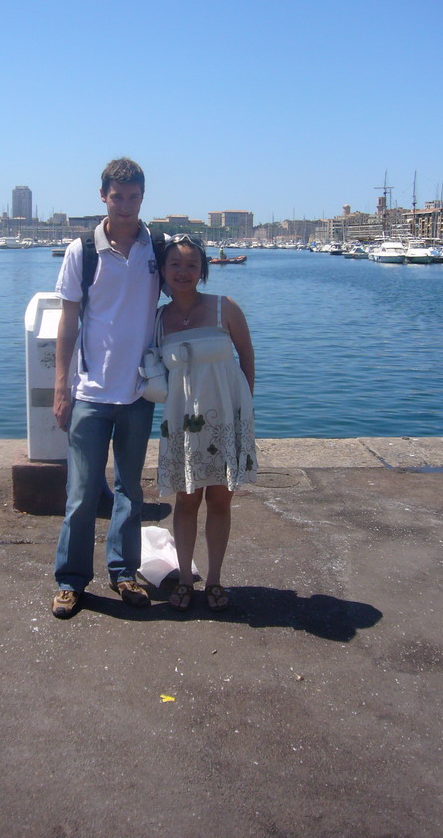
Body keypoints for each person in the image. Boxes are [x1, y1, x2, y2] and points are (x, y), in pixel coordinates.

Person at [50, 158, 162, 619]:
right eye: (118, 197)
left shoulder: (156, 248)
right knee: (80, 495)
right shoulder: (84, 250)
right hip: (91, 395)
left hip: (137, 394)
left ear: (142, 197)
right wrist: (61, 385)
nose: (125, 205)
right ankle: (70, 581)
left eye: (133, 197)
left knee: (130, 491)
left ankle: (123, 572)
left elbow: (186, 286)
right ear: (103, 197)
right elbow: (68, 319)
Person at [156, 234, 257, 612]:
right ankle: (185, 578)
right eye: (175, 265)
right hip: (182, 422)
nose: (183, 272)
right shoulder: (158, 319)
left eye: (191, 265)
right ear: (163, 271)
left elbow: (247, 358)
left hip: (227, 418)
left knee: (219, 500)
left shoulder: (224, 308)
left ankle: (214, 579)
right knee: (185, 501)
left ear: (203, 271)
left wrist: (244, 411)